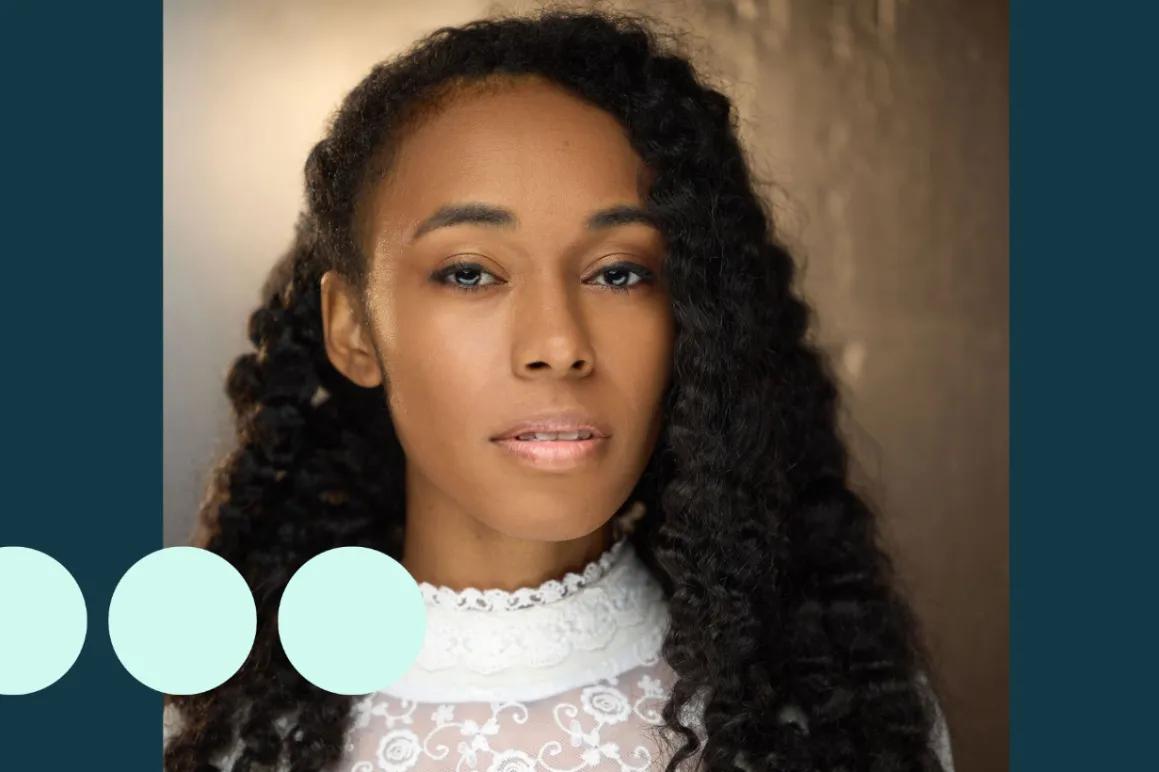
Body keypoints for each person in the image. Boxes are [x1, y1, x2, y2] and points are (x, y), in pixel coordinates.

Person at [163, 8, 955, 772]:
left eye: (618, 273)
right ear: (353, 330)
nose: (558, 345)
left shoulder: (829, 723)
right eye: (469, 273)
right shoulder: (207, 730)